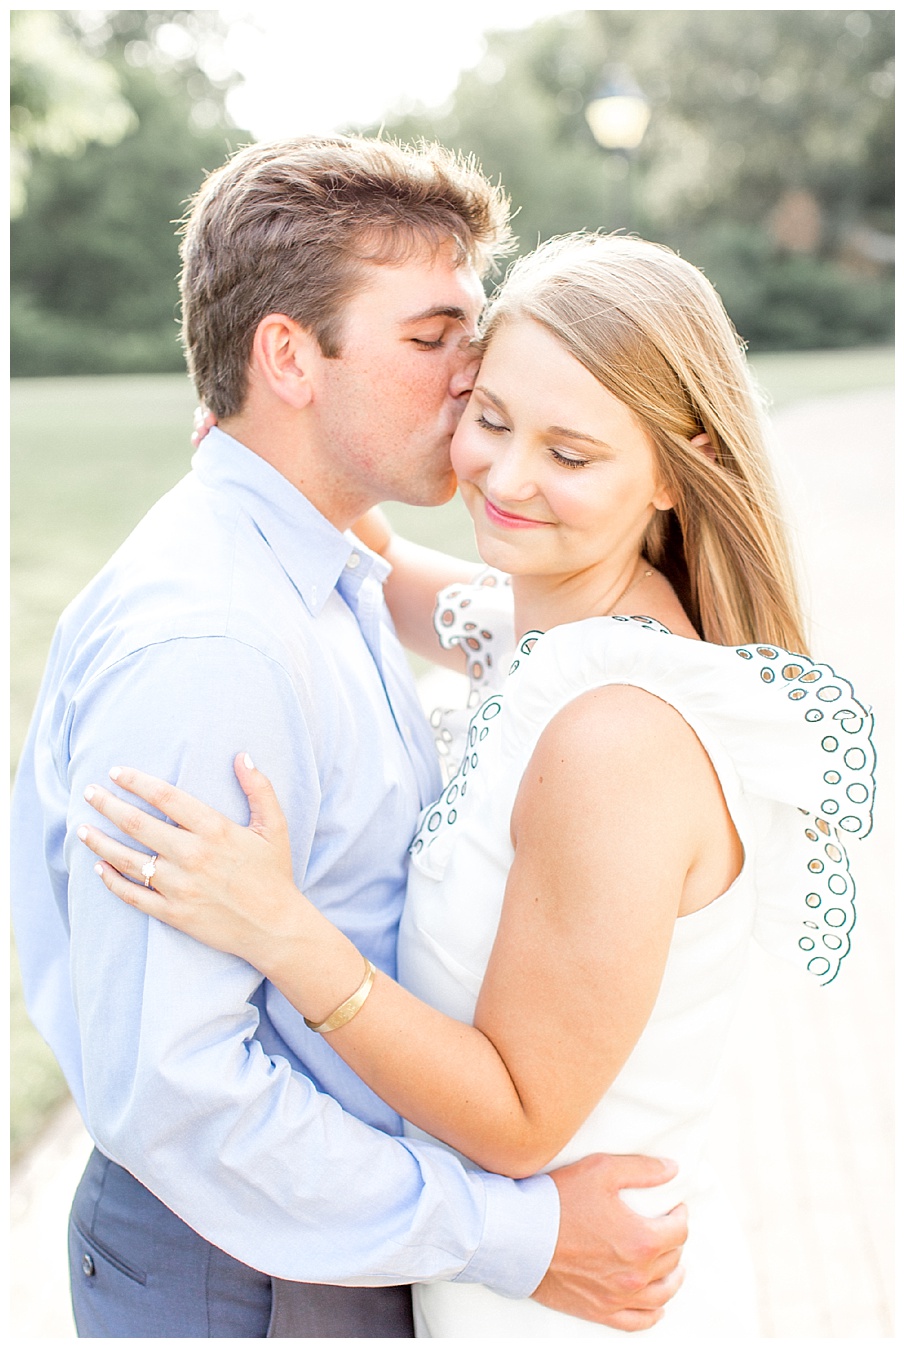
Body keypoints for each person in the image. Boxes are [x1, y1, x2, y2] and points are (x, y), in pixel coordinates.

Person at [75, 228, 875, 1336]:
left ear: (677, 471)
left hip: (568, 1298)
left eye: (572, 454)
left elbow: (516, 1120)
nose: (505, 477)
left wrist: (281, 930)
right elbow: (385, 567)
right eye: (490, 419)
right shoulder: (542, 623)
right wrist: (270, 438)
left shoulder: (616, 737)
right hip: (481, 1274)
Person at [12, 136, 684, 1336]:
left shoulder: (322, 561)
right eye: (433, 339)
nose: (472, 381)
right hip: (253, 1272)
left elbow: (476, 612)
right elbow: (180, 1094)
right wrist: (519, 1238)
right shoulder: (214, 648)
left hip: (337, 1240)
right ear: (288, 356)